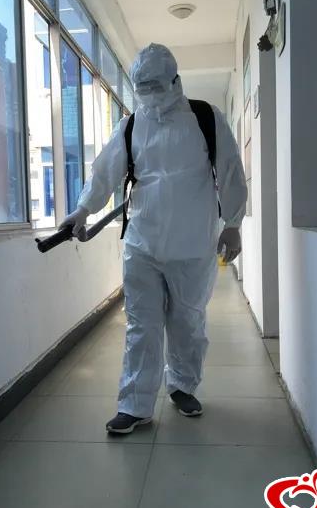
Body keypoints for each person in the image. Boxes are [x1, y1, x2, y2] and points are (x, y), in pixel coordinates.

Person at [60, 43, 247, 434]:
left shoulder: (205, 118)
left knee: (187, 321)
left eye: (156, 87)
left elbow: (230, 170)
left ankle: (182, 386)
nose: (150, 96)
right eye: (142, 89)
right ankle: (135, 404)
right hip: (142, 242)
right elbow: (105, 173)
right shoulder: (130, 126)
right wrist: (82, 210)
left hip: (193, 243)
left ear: (175, 82)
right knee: (141, 325)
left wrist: (233, 223)